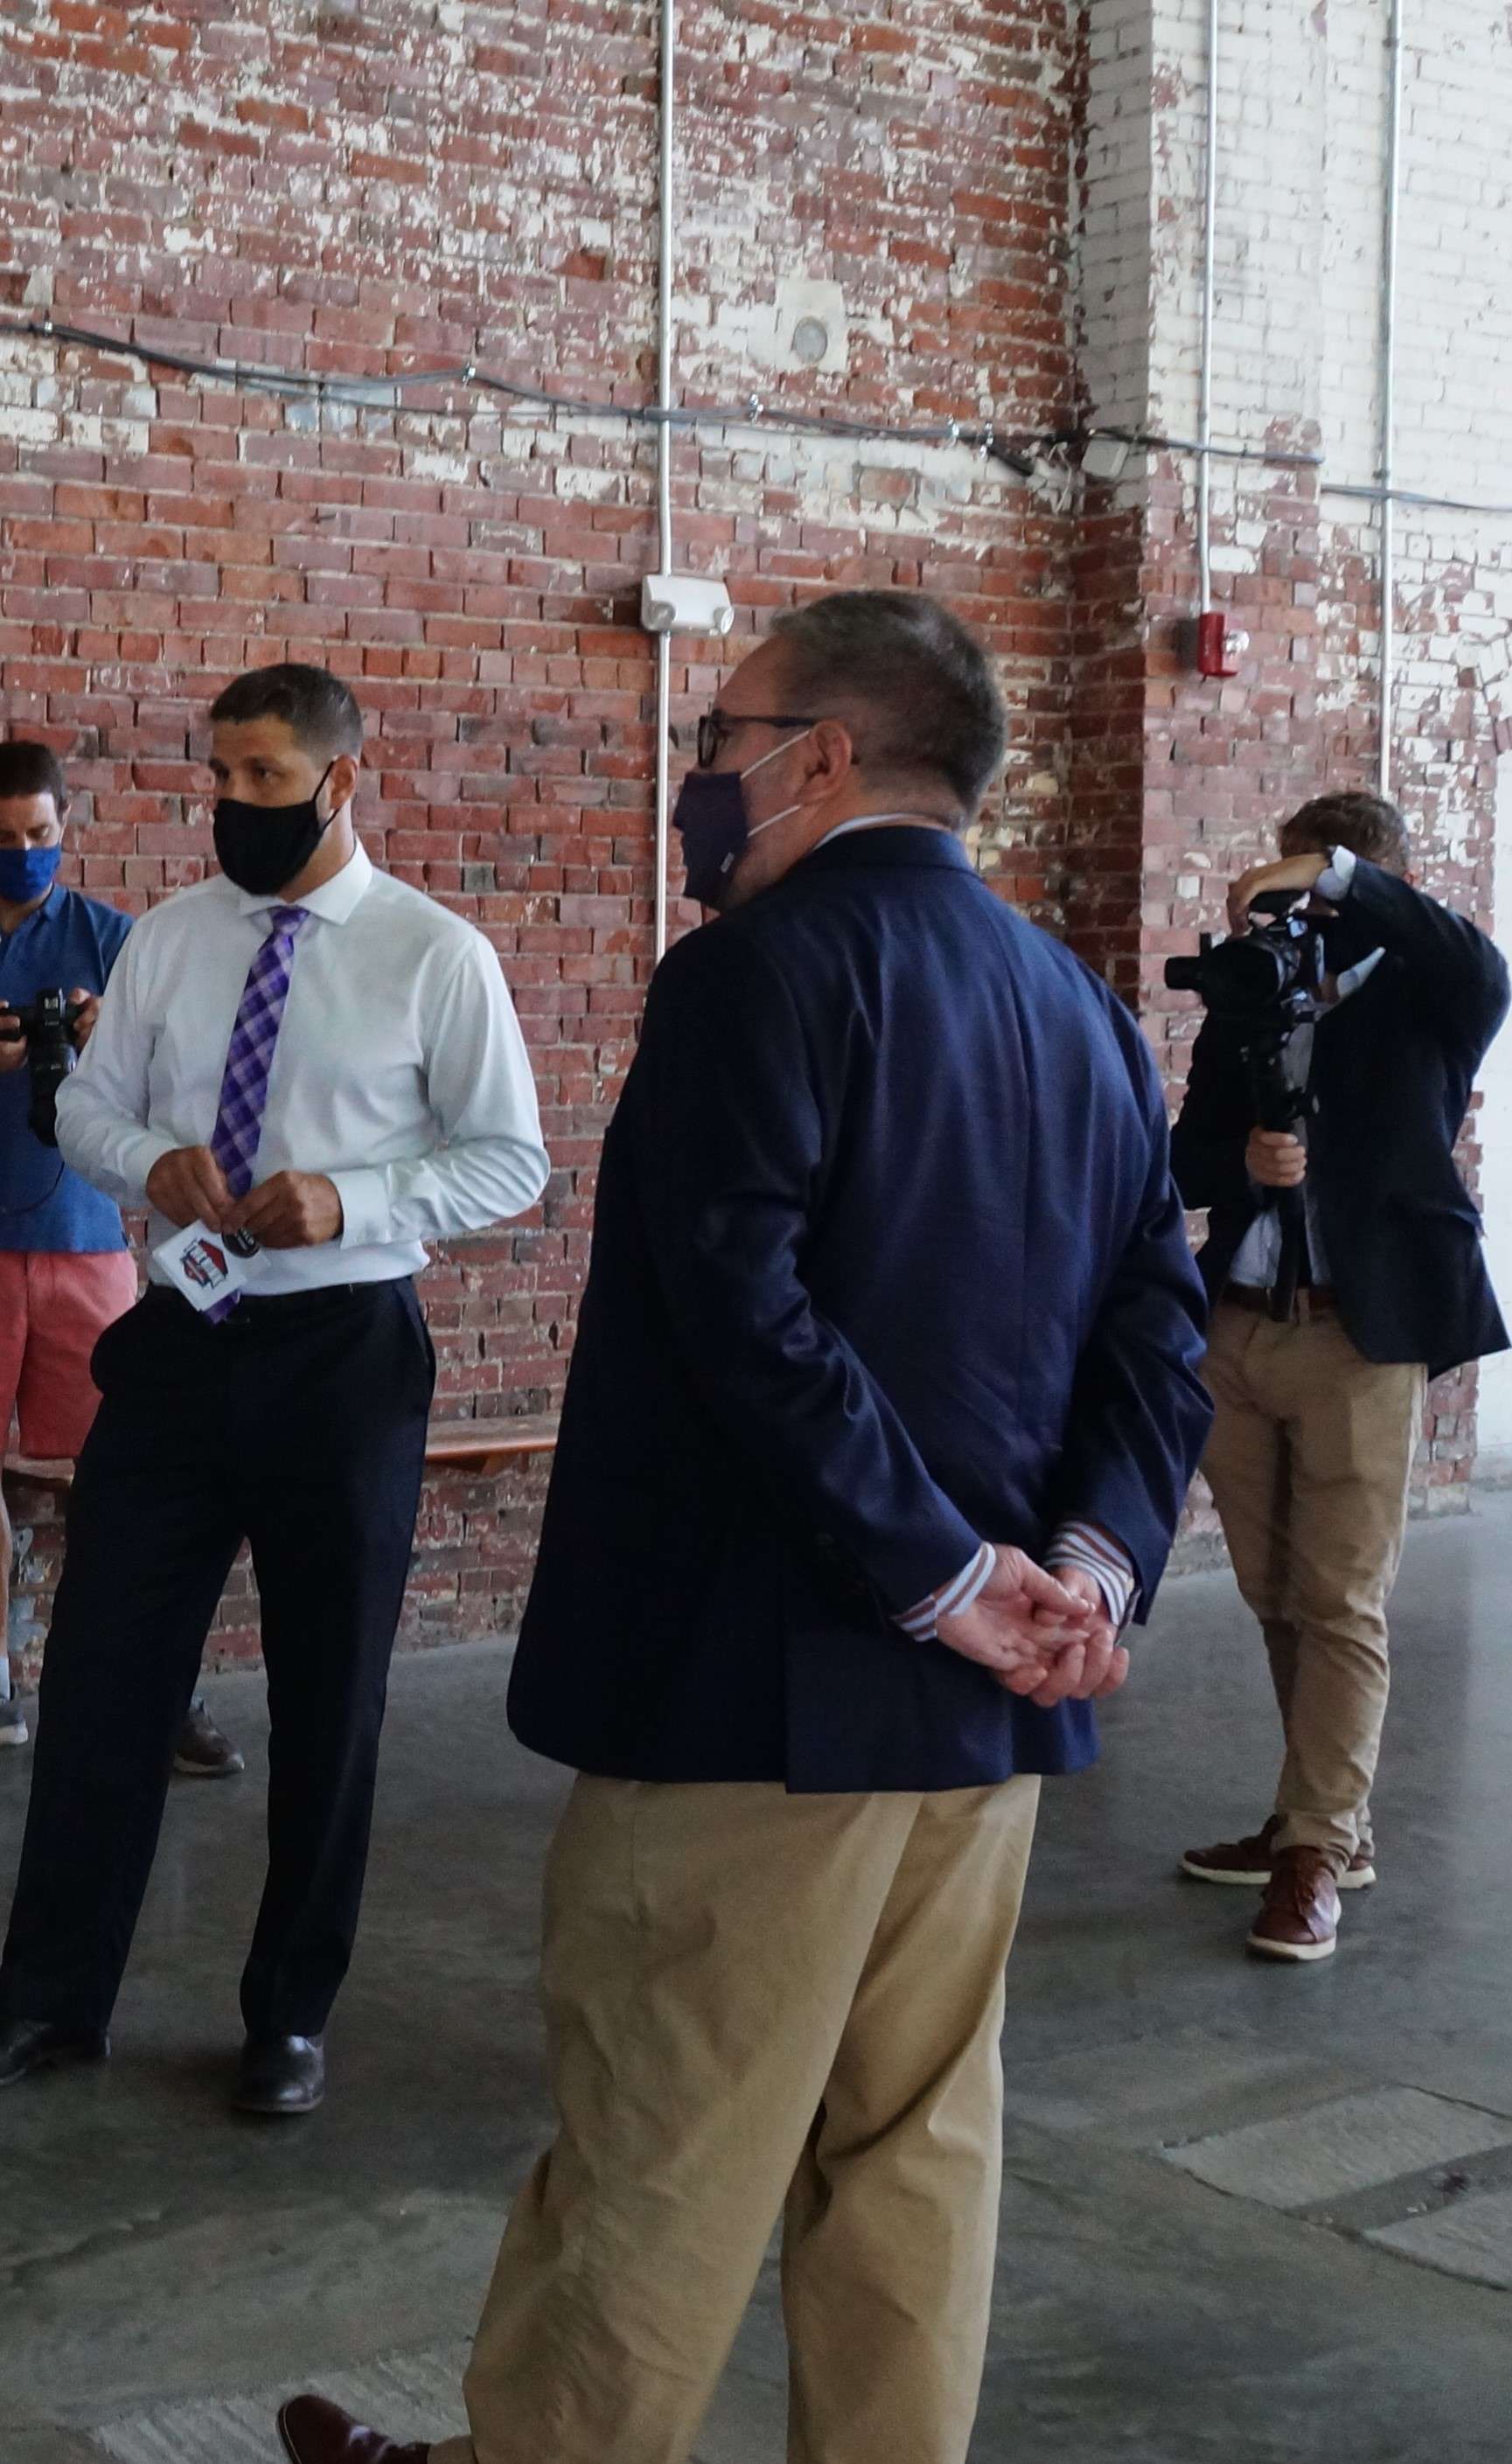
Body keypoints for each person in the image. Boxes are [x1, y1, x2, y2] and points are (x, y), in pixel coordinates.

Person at [281, 591, 1212, 2464]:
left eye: (719, 738)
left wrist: (945, 1580)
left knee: (663, 2141)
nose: (699, 777)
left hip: (753, 1706)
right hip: (980, 1729)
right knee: (911, 2151)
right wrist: (1080, 1575)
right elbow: (1155, 1333)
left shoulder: (753, 974)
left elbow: (741, 1313)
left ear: (827, 755)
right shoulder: (1077, 1009)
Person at [0, 662, 548, 2119]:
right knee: (104, 1680)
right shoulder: (174, 940)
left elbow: (510, 1156)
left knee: (333, 1695)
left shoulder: (431, 952)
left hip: (344, 1353)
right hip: (182, 1340)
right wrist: (153, 1163)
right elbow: (80, 1101)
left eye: (266, 777)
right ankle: (49, 2001)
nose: (235, 803)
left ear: (339, 780)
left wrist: (355, 1198)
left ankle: (290, 2016)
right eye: (221, 774)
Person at [1167, 790, 1506, 1962]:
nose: (1302, 899)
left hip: (1365, 1332)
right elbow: (1186, 1152)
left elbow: (1479, 961)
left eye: (1325, 880)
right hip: (1243, 1326)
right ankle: (1318, 1821)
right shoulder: (1252, 993)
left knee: (1343, 1599)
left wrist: (1344, 874)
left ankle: (1315, 1850)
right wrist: (1243, 1157)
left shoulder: (1431, 993)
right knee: (1274, 1590)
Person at [0, 741, 216, 1773]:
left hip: (86, 1243)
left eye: (41, 837)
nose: (22, 853)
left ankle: (154, 1685)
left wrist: (110, 1048)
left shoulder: (115, 939)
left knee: (125, 1475)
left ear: (69, 826)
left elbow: (178, 1104)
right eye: (2, 837)